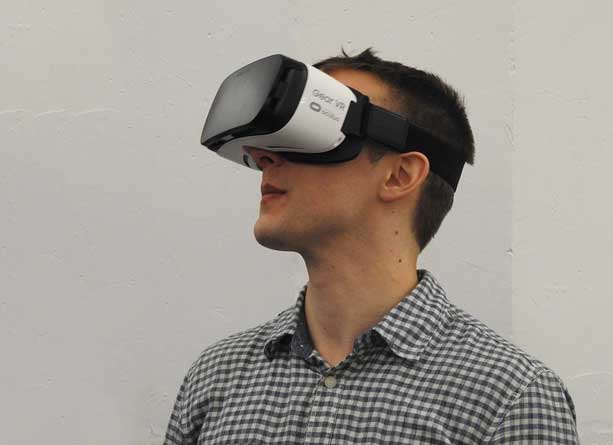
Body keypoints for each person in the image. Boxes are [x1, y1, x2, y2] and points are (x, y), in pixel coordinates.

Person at [164, 48, 579, 444]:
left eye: (310, 130)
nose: (264, 157)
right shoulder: (216, 378)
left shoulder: (509, 398)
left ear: (400, 175)